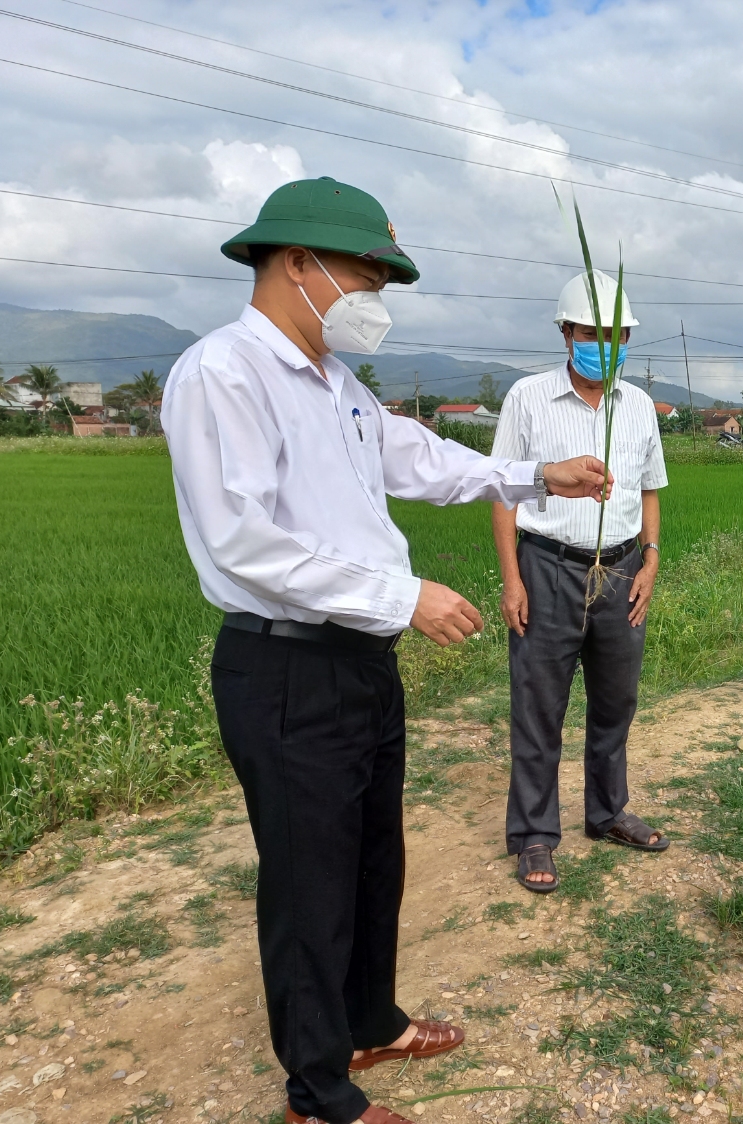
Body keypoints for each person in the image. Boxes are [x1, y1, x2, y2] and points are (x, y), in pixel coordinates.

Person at [161, 177, 610, 1124]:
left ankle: (370, 1019)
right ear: (296, 265)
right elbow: (245, 542)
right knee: (308, 879)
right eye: (368, 275)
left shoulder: (336, 380)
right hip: (285, 665)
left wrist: (536, 474)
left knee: (372, 856)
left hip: (357, 662)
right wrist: (401, 596)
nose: (376, 299)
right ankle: (318, 1090)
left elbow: (419, 460)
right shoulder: (222, 375)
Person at [491, 270, 672, 894]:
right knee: (539, 706)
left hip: (621, 568)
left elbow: (651, 489)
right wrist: (512, 579)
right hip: (548, 565)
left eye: (616, 335)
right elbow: (503, 494)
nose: (604, 345)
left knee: (616, 701)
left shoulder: (640, 406)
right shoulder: (528, 398)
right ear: (565, 333)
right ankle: (535, 833)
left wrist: (650, 558)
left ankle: (608, 811)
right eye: (591, 333)